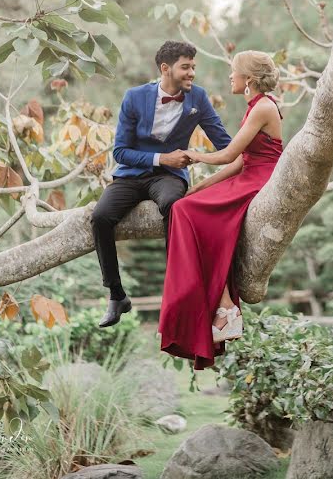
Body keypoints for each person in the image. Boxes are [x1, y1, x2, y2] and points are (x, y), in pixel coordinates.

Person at [91, 41, 232, 328]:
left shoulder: (199, 99)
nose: (192, 72)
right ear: (165, 68)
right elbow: (119, 152)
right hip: (132, 173)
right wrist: (162, 158)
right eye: (186, 67)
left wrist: (254, 147)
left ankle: (178, 288)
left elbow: (225, 145)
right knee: (100, 217)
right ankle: (117, 295)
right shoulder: (134, 97)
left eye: (194, 67)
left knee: (173, 205)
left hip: (169, 179)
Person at [159, 50, 283, 369]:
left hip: (261, 180)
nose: (230, 76)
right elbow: (242, 159)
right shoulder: (255, 106)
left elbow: (229, 154)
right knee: (186, 206)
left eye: (234, 71)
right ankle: (224, 304)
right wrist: (203, 185)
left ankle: (219, 305)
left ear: (249, 80)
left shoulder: (265, 106)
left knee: (187, 213)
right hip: (250, 173)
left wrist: (192, 154)